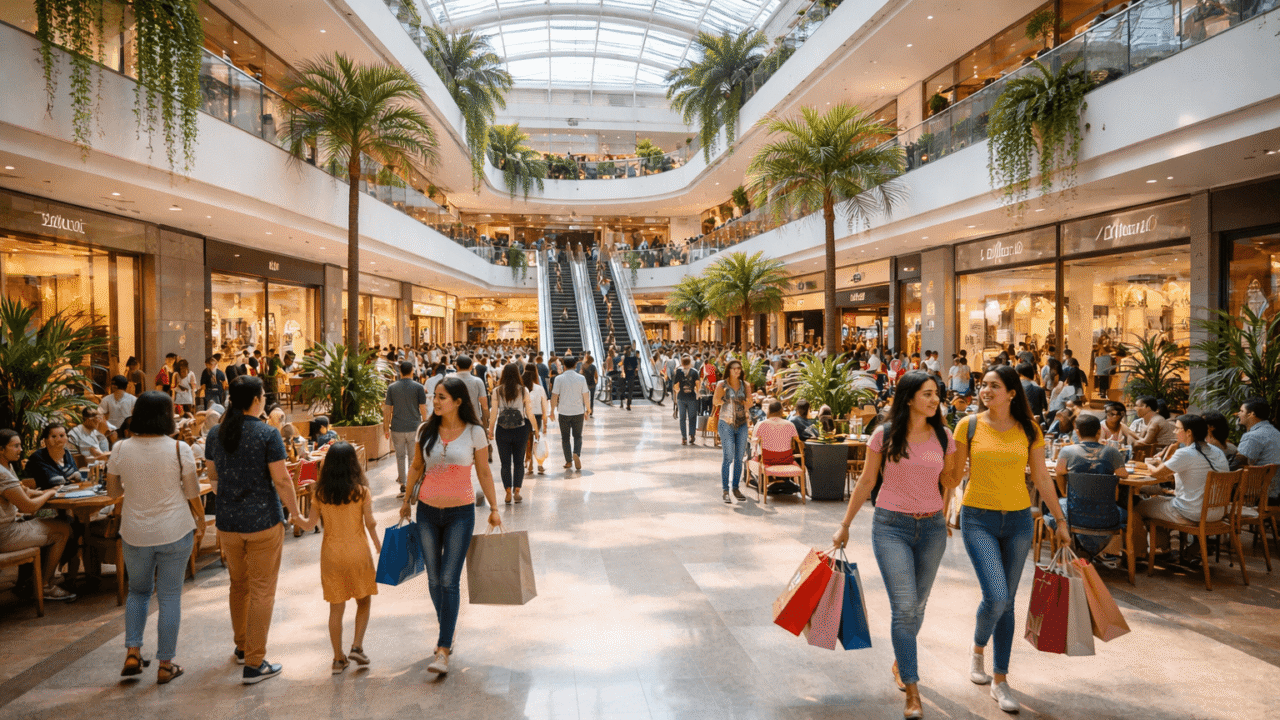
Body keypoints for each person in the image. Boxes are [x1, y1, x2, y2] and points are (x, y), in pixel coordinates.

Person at [833, 372, 959, 720]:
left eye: (937, 395)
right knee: (904, 608)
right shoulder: (884, 435)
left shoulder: (944, 435)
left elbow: (948, 482)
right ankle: (913, 690)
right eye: (928, 394)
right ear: (908, 399)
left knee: (917, 605)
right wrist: (844, 525)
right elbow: (867, 481)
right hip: (891, 527)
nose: (935, 401)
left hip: (932, 528)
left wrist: (945, 514)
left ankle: (901, 659)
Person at [953, 365, 1069, 714]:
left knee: (1007, 602)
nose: (985, 390)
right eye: (983, 385)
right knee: (997, 595)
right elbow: (953, 475)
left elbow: (1042, 479)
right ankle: (977, 650)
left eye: (994, 386)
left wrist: (1059, 519)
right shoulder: (967, 426)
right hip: (978, 518)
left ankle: (1000, 679)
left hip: (1018, 520)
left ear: (1012, 393)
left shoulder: (1030, 429)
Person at [399, 377, 502, 676]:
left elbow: (483, 470)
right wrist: (407, 499)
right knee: (433, 579)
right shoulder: (425, 430)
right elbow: (417, 466)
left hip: (460, 513)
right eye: (435, 396)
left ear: (458, 401)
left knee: (448, 579)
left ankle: (443, 647)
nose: (436, 401)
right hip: (428, 512)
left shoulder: (475, 432)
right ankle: (448, 626)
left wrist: (495, 508)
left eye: (442, 397)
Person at [205, 375, 303, 684]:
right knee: (262, 590)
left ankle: (242, 646)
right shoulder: (267, 434)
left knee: (239, 584)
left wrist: (231, 498)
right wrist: (297, 513)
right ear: (257, 400)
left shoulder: (216, 433)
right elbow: (282, 479)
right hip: (263, 521)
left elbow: (213, 478)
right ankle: (255, 661)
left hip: (228, 523)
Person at [105, 391, 203, 684]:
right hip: (175, 529)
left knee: (138, 592)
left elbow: (112, 493)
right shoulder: (179, 448)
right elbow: (192, 492)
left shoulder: (120, 448)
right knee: (170, 595)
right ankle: (165, 664)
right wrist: (200, 518)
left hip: (135, 531)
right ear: (167, 415)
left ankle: (133, 652)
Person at [293, 442, 380, 675]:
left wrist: (294, 515)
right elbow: (370, 524)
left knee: (336, 608)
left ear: (328, 465)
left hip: (331, 556)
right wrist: (380, 546)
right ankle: (357, 646)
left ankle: (338, 659)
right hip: (358, 552)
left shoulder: (320, 493)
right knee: (364, 601)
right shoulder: (361, 491)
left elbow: (309, 524)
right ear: (354, 463)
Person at [1136, 414, 1230, 556]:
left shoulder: (1185, 453)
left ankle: (1141, 553)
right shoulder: (1217, 451)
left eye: (1177, 429)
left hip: (1191, 513)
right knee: (1157, 501)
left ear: (1188, 432)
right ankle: (1164, 548)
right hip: (1217, 512)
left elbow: (1156, 474)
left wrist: (1148, 464)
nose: (1174, 432)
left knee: (1137, 507)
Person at [0, 429, 76, 601]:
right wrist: (49, 494)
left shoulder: (6, 466)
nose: (20, 449)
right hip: (5, 534)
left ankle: (32, 581)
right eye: (15, 446)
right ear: (1, 449)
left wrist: (39, 492)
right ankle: (45, 586)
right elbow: (29, 507)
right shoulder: (2, 473)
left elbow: (22, 490)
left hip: (9, 526)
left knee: (58, 522)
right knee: (63, 529)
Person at [1046, 414, 1129, 559]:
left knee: (1053, 507)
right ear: (1099, 432)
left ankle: (1072, 550)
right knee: (1128, 512)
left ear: (1077, 432)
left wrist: (1064, 493)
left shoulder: (1067, 451)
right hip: (1107, 515)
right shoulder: (1112, 452)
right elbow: (1123, 474)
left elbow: (1059, 472)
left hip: (1075, 514)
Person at [490, 363, 537, 504]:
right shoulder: (524, 390)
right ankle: (517, 491)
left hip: (502, 429)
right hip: (520, 429)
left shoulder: (497, 390)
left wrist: (490, 429)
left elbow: (494, 413)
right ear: (518, 374)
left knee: (505, 464)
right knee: (518, 462)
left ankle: (507, 492)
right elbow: (529, 412)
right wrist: (535, 428)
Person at [384, 361, 428, 497]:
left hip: (397, 427)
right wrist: (425, 424)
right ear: (412, 371)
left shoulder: (392, 388)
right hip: (414, 427)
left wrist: (386, 427)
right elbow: (423, 408)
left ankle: (403, 484)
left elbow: (387, 410)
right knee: (413, 457)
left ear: (400, 372)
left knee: (400, 456)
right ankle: (411, 483)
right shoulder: (419, 387)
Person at [713, 359, 752, 504]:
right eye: (734, 368)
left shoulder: (745, 385)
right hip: (726, 423)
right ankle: (725, 489)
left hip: (741, 424)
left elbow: (750, 403)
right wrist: (722, 396)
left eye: (739, 368)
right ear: (728, 370)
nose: (737, 371)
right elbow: (715, 402)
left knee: (739, 457)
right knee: (728, 456)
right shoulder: (721, 384)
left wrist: (744, 401)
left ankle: (735, 487)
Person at [550, 355, 591, 472]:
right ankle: (576, 453)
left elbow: (554, 396)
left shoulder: (558, 378)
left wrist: (552, 411)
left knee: (565, 438)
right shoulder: (581, 378)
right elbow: (586, 395)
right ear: (575, 365)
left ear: (564, 366)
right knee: (578, 436)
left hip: (563, 412)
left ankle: (568, 461)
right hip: (578, 411)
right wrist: (588, 409)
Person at [1236, 398, 1280, 501]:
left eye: (1242, 411)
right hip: (1275, 492)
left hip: (1255, 495)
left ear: (1251, 414)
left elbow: (1238, 463)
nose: (1238, 414)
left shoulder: (1253, 436)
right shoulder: (1276, 433)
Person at [26, 424, 82, 489]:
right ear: (45, 440)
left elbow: (76, 474)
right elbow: (51, 480)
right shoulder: (37, 457)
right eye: (53, 436)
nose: (58, 439)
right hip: (45, 496)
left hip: (68, 493)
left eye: (62, 436)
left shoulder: (67, 453)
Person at [522, 365, 549, 475]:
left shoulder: (521, 389)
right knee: (536, 440)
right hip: (537, 417)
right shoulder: (539, 388)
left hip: (524, 417)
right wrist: (545, 421)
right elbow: (544, 405)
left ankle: (529, 463)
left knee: (527, 441)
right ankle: (540, 464)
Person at [452, 355, 490, 432]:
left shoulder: (449, 380)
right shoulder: (478, 381)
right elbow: (484, 404)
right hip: (474, 418)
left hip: (454, 419)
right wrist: (487, 419)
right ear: (471, 367)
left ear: (457, 366)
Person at [673, 355, 701, 445]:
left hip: (681, 397)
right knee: (692, 417)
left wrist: (677, 391)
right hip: (692, 397)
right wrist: (697, 392)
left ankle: (684, 438)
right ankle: (692, 435)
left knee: (682, 418)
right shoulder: (695, 372)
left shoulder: (679, 371)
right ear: (690, 363)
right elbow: (698, 385)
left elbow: (675, 386)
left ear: (681, 363)